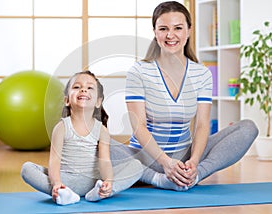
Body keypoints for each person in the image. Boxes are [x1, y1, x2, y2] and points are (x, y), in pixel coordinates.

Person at [110, 1, 259, 191]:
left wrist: (195, 162)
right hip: (146, 157)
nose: (170, 35)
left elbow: (203, 125)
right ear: (155, 32)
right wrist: (165, 162)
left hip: (185, 155)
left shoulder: (201, 73)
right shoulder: (139, 72)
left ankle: (192, 177)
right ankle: (158, 179)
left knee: (248, 128)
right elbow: (138, 125)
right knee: (100, 143)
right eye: (163, 28)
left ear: (188, 31)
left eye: (178, 28)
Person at [21, 70, 143, 205]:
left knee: (136, 166)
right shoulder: (61, 127)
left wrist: (108, 181)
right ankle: (63, 193)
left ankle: (102, 192)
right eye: (77, 87)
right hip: (65, 180)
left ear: (98, 102)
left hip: (94, 181)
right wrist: (56, 183)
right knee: (27, 168)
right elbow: (54, 161)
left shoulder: (101, 130)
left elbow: (105, 161)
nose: (84, 90)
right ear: (67, 100)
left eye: (90, 87)